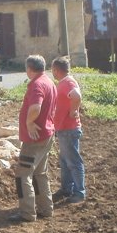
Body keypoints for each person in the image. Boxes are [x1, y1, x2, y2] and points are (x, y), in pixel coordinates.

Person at [10, 55, 57, 223]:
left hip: (35, 138)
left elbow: (36, 107)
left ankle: (27, 213)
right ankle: (46, 208)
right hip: (47, 135)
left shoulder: (37, 85)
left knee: (23, 174)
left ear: (29, 69)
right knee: (40, 173)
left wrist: (29, 122)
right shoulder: (49, 82)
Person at [51, 56, 86, 204]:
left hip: (68, 129)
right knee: (65, 160)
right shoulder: (65, 82)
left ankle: (79, 192)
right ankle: (67, 189)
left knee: (72, 161)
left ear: (56, 70)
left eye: (52, 70)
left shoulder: (67, 82)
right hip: (64, 129)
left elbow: (76, 96)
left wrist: (73, 111)